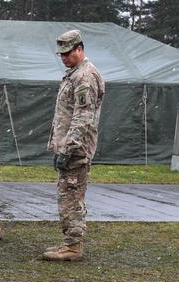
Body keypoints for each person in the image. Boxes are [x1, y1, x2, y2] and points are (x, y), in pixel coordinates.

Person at [43, 29, 105, 262]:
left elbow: (82, 117)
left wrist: (68, 148)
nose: (63, 58)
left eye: (67, 53)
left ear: (80, 49)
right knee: (67, 195)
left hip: (76, 150)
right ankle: (69, 241)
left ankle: (74, 246)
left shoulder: (85, 77)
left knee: (72, 197)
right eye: (61, 54)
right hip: (70, 147)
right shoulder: (75, 73)